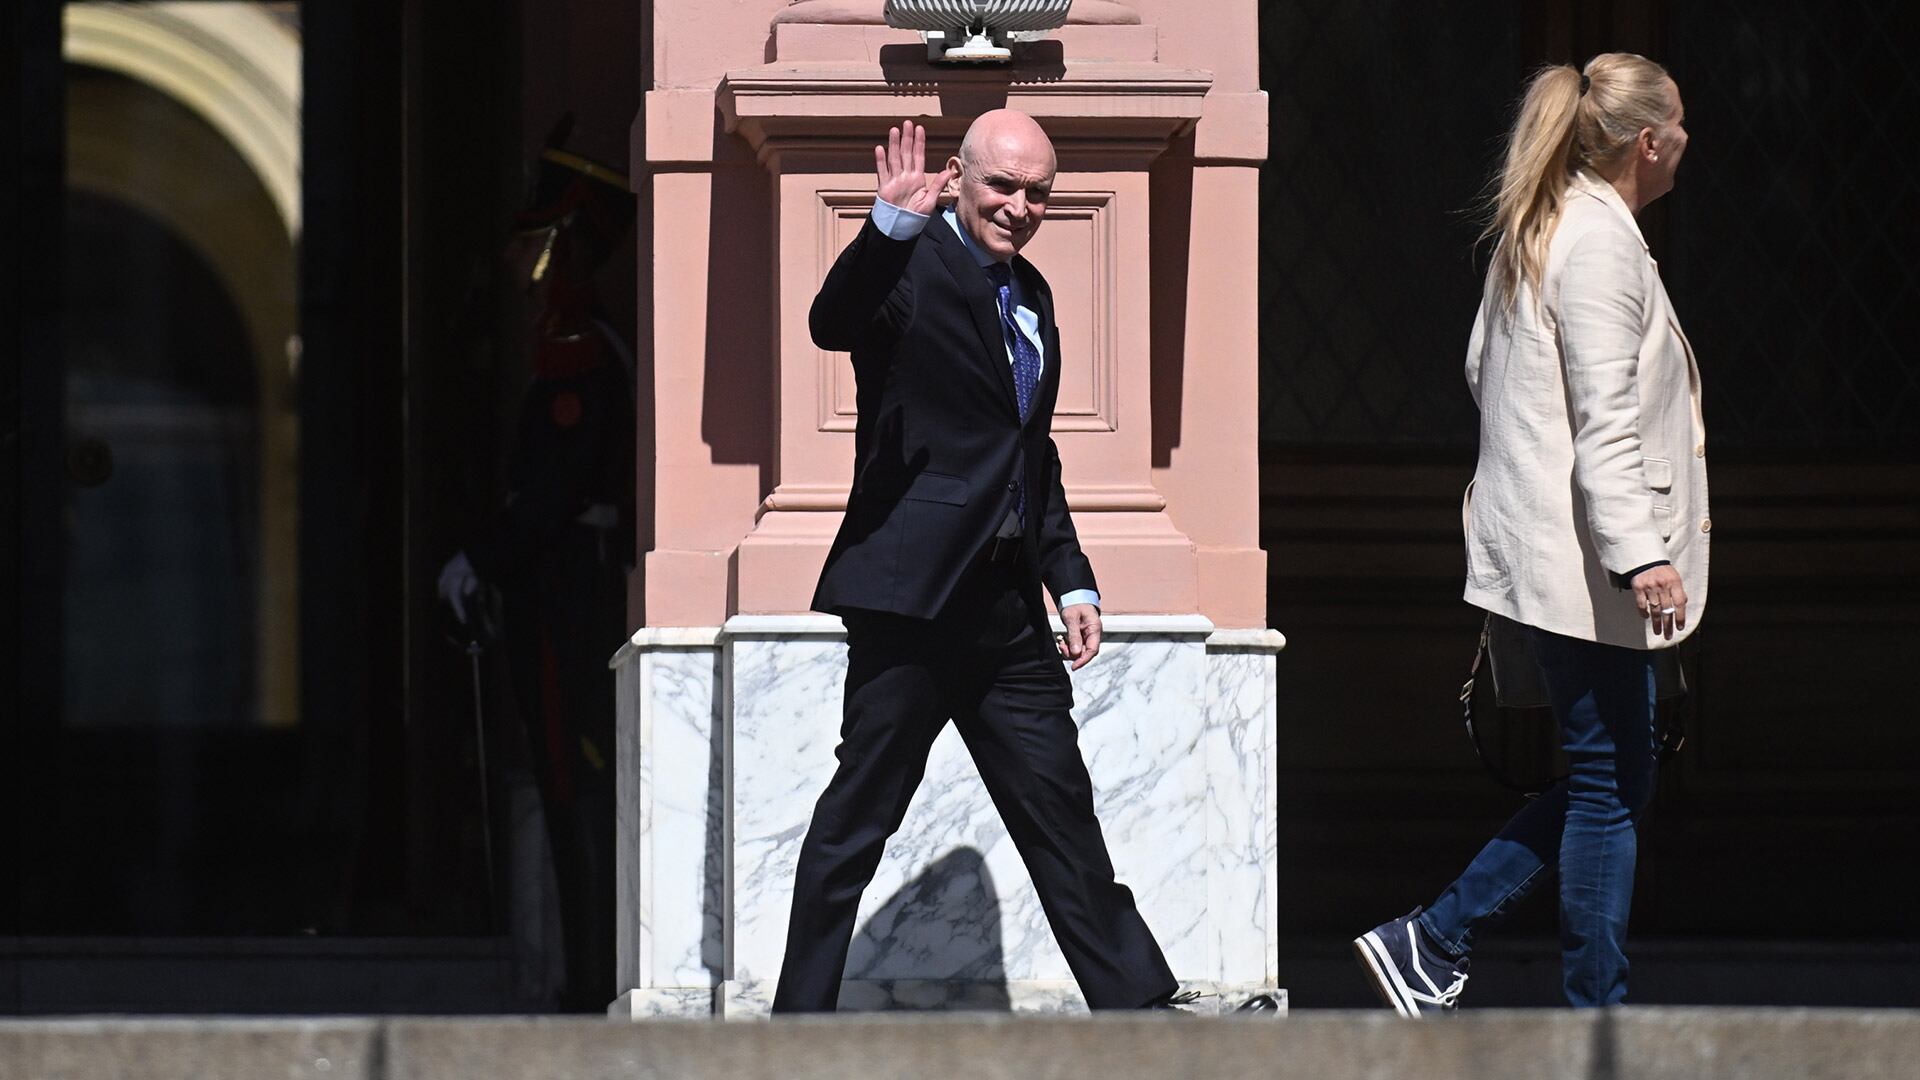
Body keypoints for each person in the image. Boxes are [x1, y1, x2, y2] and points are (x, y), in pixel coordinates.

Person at [770, 111, 1182, 1013]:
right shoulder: (909, 267)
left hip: (1003, 612)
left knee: (1061, 811)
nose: (1019, 206)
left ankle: (1142, 1007)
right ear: (958, 176)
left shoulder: (1031, 294)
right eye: (1002, 185)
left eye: (1038, 192)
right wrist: (885, 226)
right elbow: (832, 322)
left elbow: (1033, 459)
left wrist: (1068, 574)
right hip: (911, 602)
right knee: (857, 821)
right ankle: (794, 1026)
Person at [1354, 53, 1709, 1013]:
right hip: (1585, 564)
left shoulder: (1544, 230)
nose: (1687, 140)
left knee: (1613, 781)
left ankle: (1432, 941)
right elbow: (1606, 416)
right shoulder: (1595, 244)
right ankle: (1585, 1011)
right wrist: (1642, 552)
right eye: (1680, 124)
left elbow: (1483, 372)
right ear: (1649, 140)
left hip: (1552, 555)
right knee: (1607, 788)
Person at [437, 116, 635, 1011]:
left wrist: (478, 559)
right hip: (566, 580)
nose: (517, 262)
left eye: (531, 241)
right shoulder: (572, 341)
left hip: (567, 592)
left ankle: (592, 983)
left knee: (573, 777)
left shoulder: (575, 347)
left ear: (561, 245)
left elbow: (549, 497)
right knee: (568, 780)